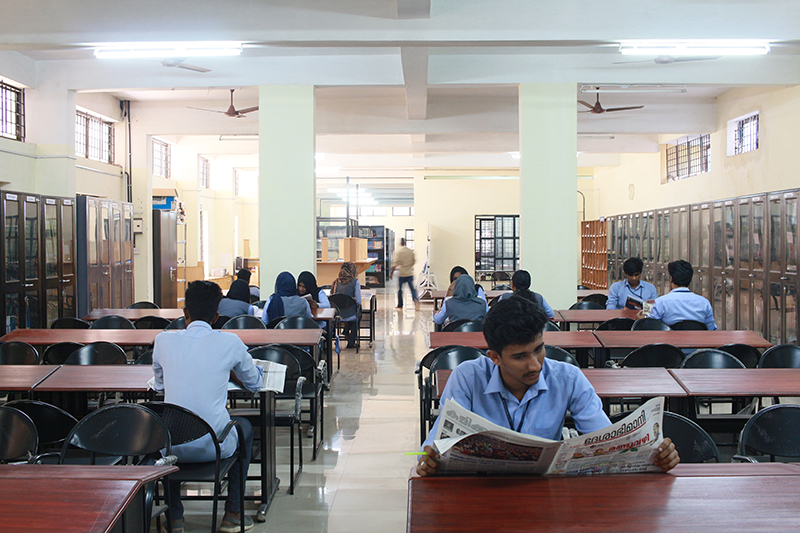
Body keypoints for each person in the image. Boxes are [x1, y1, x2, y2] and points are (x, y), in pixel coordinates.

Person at [417, 296, 680, 476]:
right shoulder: (467, 377)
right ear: (495, 357)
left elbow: (604, 440)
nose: (534, 365)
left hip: (545, 492)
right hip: (481, 491)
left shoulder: (568, 378)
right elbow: (437, 444)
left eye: (538, 349)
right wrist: (429, 459)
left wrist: (653, 457)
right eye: (520, 356)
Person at [153, 280, 263, 532]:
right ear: (216, 317)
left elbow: (159, 387)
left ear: (185, 313)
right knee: (244, 428)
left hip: (171, 447)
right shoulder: (230, 342)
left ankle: (175, 518)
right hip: (214, 444)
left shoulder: (162, 341)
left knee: (167, 427)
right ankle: (232, 514)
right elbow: (255, 383)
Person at [641, 260, 717, 330]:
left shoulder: (661, 302)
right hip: (697, 340)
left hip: (669, 340)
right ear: (690, 279)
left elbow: (651, 327)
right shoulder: (704, 303)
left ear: (671, 279)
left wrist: (642, 320)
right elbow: (710, 329)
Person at [331, 261, 362, 348]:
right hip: (350, 314)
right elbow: (359, 301)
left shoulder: (337, 282)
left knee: (350, 311)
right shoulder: (355, 282)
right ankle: (351, 341)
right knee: (358, 314)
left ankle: (345, 331)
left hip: (338, 314)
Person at [390, 238, 419, 311]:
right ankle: (416, 300)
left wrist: (391, 273)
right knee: (412, 289)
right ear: (405, 243)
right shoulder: (410, 251)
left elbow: (395, 264)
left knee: (400, 290)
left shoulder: (398, 252)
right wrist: (408, 266)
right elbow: (414, 261)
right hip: (409, 273)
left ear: (400, 243)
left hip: (402, 274)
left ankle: (400, 305)